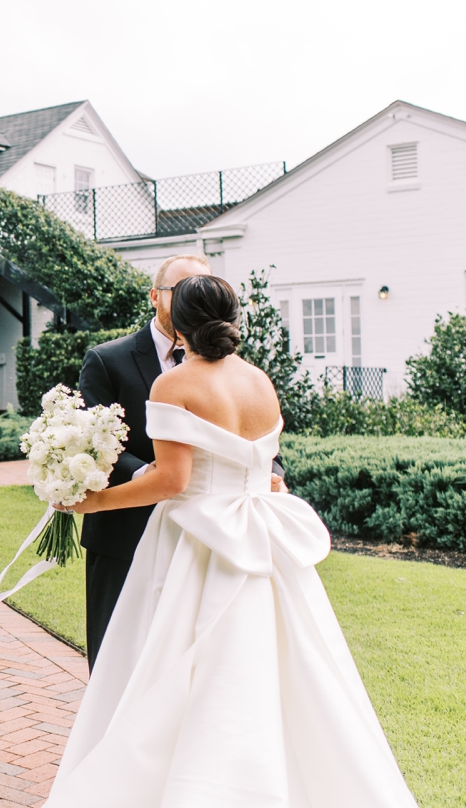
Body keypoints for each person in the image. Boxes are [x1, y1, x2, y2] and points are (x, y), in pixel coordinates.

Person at [48, 274, 417, 808]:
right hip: (258, 538)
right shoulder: (259, 381)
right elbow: (263, 467)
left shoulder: (174, 384)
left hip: (193, 543)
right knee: (272, 666)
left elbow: (171, 482)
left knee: (173, 667)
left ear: (179, 323)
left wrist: (90, 502)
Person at [76, 254, 284, 666]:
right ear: (156, 297)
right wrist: (142, 473)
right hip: (130, 535)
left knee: (180, 665)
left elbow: (180, 477)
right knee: (122, 660)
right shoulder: (108, 359)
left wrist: (270, 475)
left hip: (203, 539)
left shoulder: (177, 382)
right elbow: (93, 440)